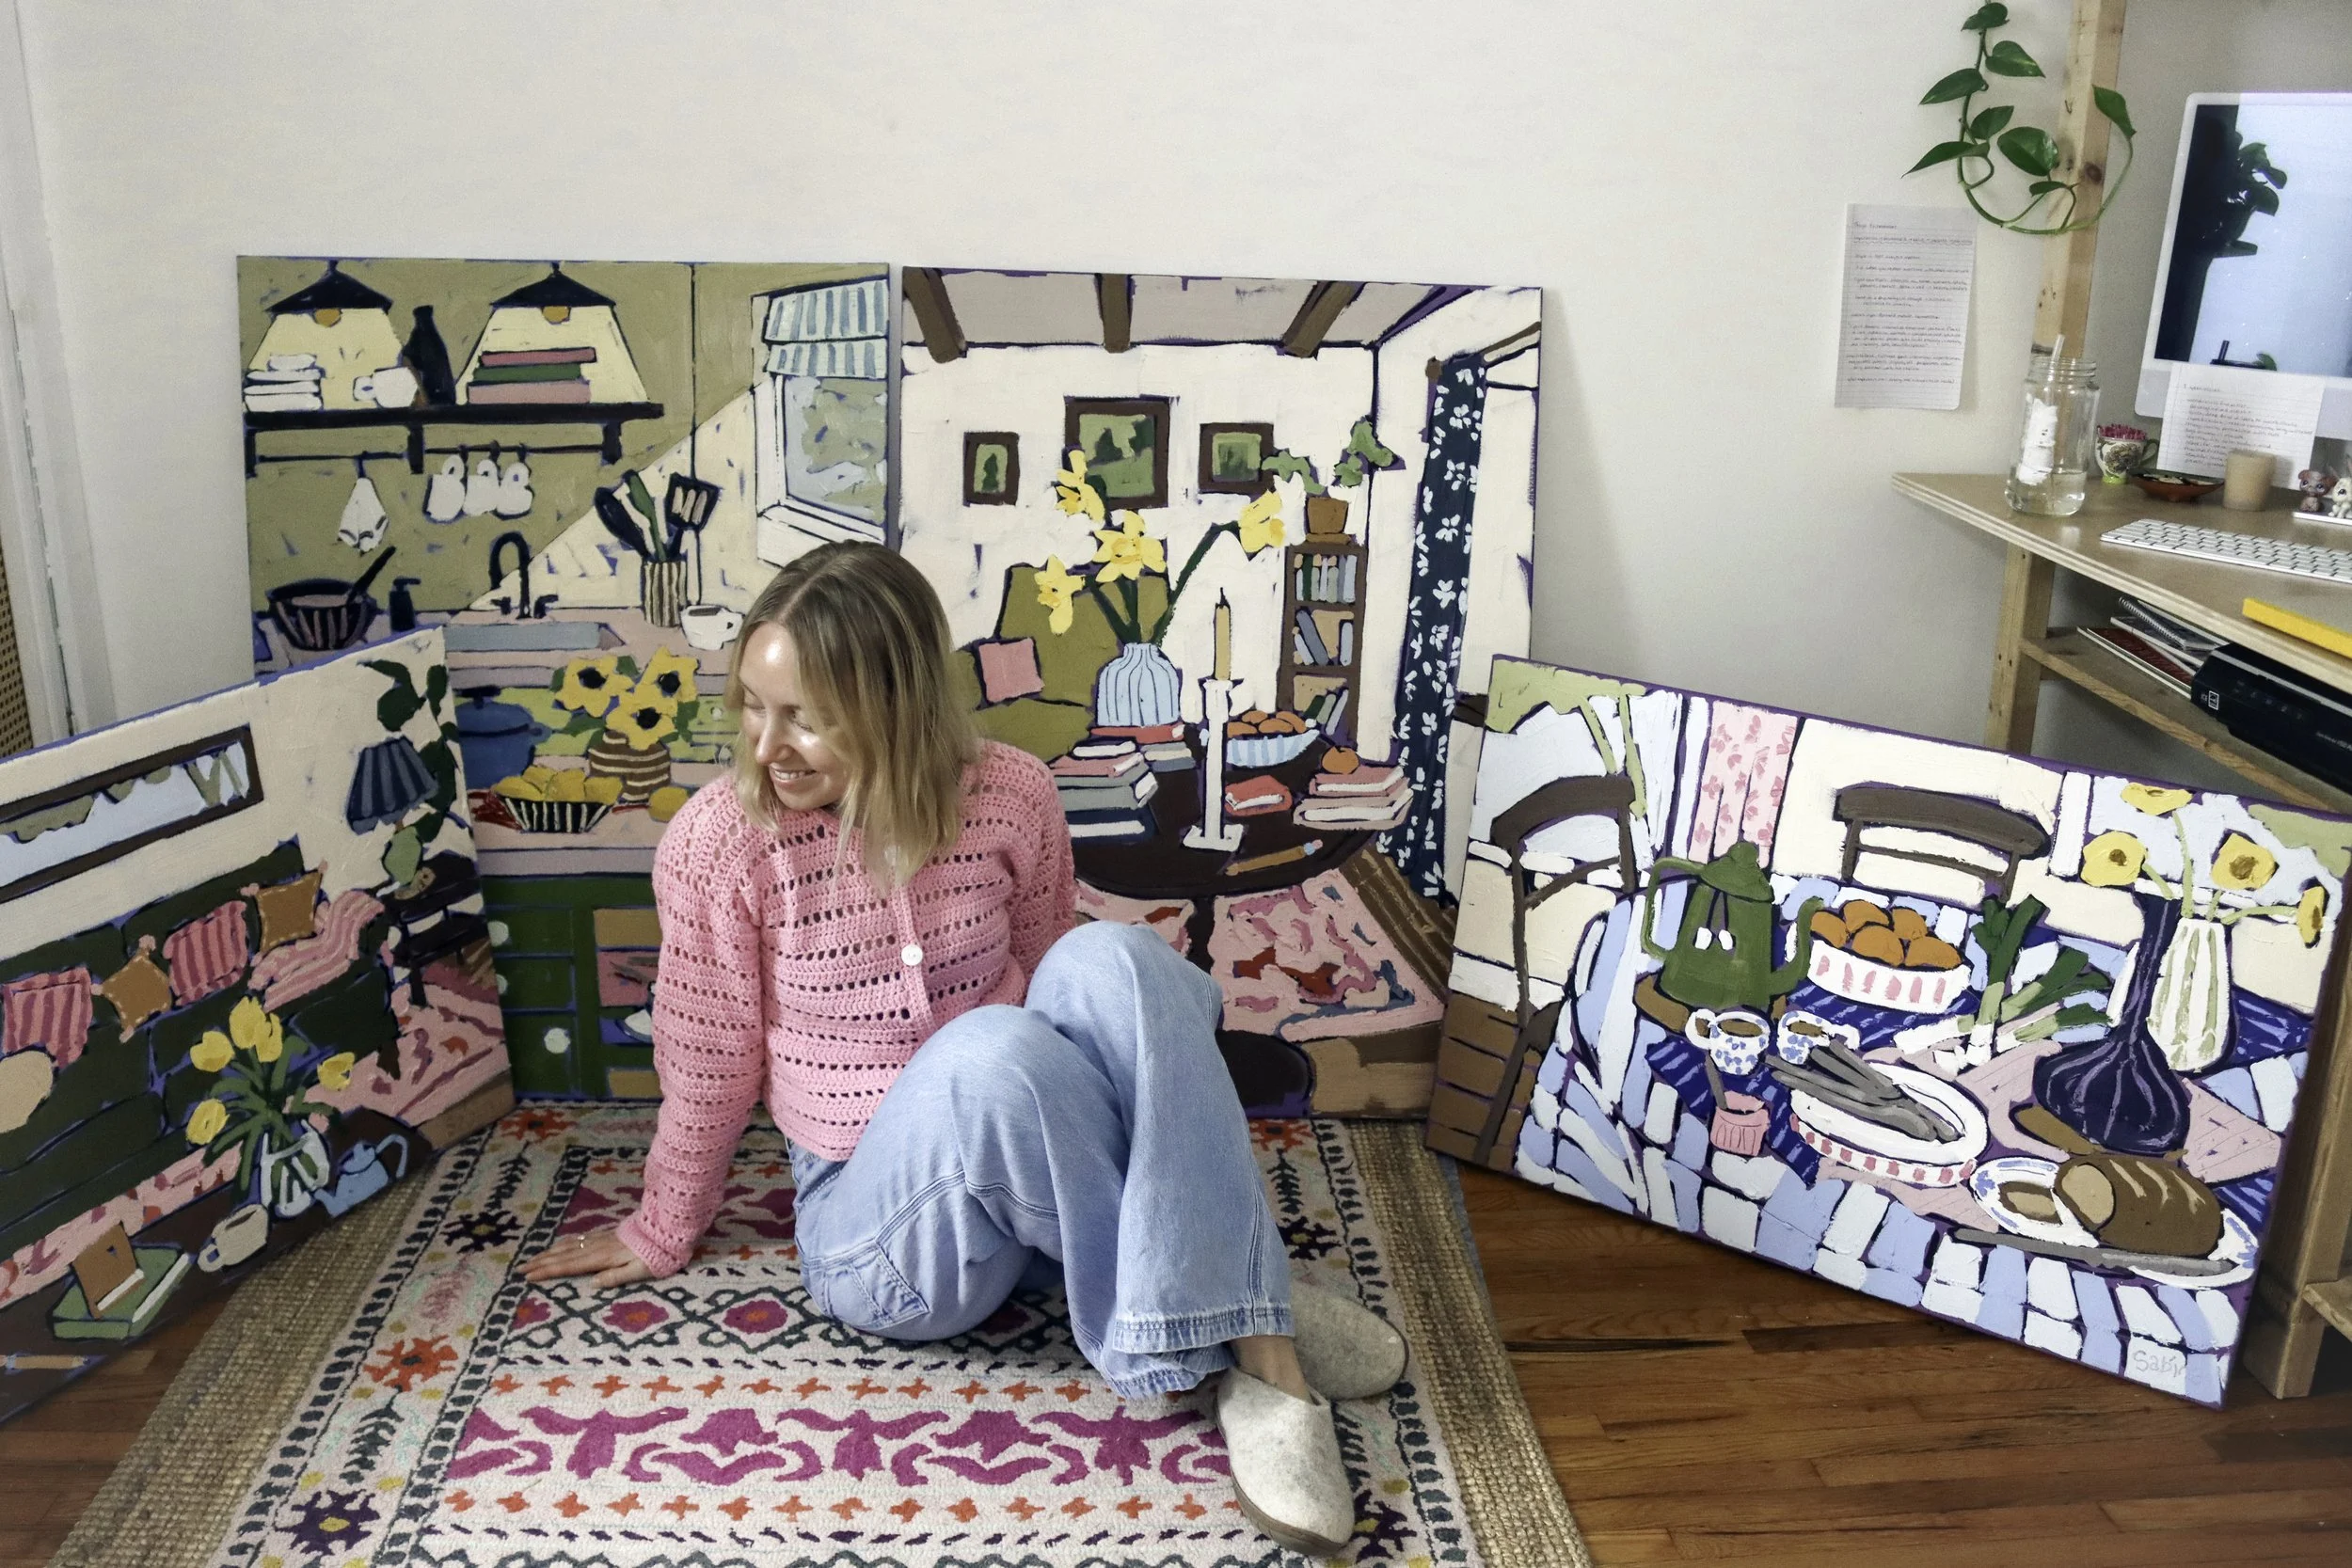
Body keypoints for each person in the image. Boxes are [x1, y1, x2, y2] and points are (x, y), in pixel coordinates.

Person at [520, 541, 1406, 1554]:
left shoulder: (1012, 792)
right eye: (753, 708)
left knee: (1116, 960)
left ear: (896, 702)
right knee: (989, 1049)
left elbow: (1069, 997)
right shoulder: (723, 842)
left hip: (1030, 1171)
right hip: (884, 1240)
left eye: (805, 715)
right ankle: (1248, 1316)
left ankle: (1241, 1321)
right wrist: (662, 1224)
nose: (767, 747)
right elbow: (709, 1062)